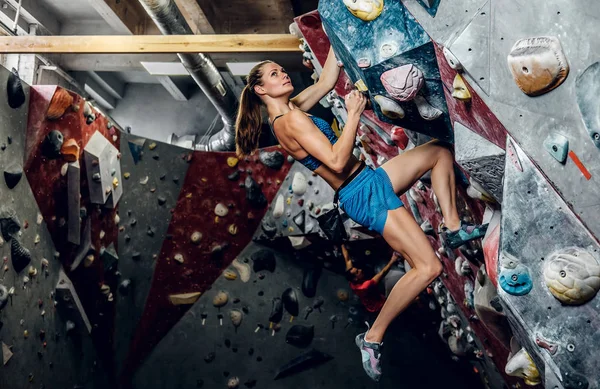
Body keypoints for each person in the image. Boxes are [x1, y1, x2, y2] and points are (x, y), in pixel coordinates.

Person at [234, 47, 488, 381]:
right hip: (362, 194)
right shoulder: (289, 120)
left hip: (368, 180)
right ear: (261, 90)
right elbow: (337, 162)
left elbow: (326, 80)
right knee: (429, 267)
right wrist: (353, 113)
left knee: (438, 153)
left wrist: (332, 41)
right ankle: (372, 337)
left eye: (281, 70)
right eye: (274, 74)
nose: (283, 74)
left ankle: (453, 226)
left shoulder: (291, 109)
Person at [342, 244, 399, 313]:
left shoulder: (352, 281)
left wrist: (342, 244)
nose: (360, 270)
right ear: (355, 279)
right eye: (357, 272)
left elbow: (347, 259)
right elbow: (382, 273)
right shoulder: (365, 286)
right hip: (377, 306)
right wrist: (392, 260)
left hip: (368, 298)